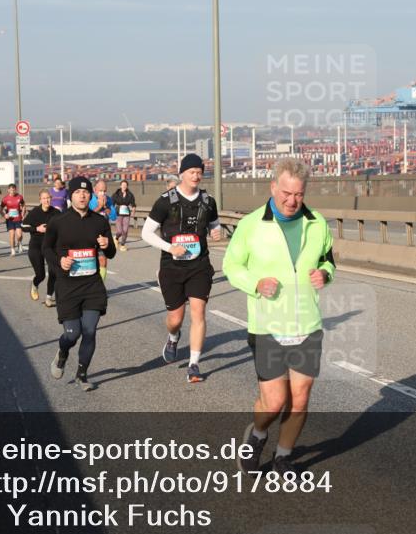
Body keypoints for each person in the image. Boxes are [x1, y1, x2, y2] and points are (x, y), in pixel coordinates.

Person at [223, 158, 336, 475]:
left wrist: (324, 275)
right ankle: (257, 435)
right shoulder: (251, 224)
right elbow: (232, 266)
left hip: (307, 324)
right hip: (268, 325)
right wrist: (255, 284)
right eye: (286, 192)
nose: (291, 200)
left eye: (298, 194)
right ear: (273, 187)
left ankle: (283, 457)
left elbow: (329, 262)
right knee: (273, 402)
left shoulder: (318, 224)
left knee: (299, 399)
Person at [141, 154, 223, 382]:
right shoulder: (165, 201)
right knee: (175, 318)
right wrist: (169, 247)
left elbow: (215, 227)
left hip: (199, 265)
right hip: (172, 267)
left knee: (199, 312)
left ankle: (194, 365)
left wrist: (216, 233)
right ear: (182, 174)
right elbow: (147, 233)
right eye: (191, 172)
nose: (196, 176)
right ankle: (173, 336)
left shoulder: (208, 202)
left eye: (199, 172)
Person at [42, 177, 116, 391]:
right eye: (77, 193)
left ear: (91, 195)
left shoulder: (100, 221)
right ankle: (63, 353)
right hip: (67, 285)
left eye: (86, 193)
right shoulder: (58, 221)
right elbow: (47, 249)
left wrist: (107, 244)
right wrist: (60, 261)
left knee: (90, 331)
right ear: (71, 196)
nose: (82, 196)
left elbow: (110, 252)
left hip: (92, 285)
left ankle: (82, 375)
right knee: (73, 334)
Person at [22, 189, 61, 307]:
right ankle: (35, 284)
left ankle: (49, 298)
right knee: (41, 275)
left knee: (54, 272)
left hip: (50, 247)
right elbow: (23, 226)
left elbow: (63, 227)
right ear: (40, 200)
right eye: (44, 198)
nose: (46, 200)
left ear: (51, 199)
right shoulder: (35, 212)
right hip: (36, 246)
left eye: (48, 198)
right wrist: (36, 229)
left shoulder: (56, 212)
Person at [88, 179, 116, 280]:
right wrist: (99, 207)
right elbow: (87, 215)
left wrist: (106, 207)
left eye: (104, 191)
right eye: (100, 190)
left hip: (103, 234)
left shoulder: (108, 200)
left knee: (103, 261)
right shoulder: (89, 199)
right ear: (94, 190)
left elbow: (113, 217)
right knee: (90, 263)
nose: (102, 193)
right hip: (90, 234)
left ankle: (101, 286)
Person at [1, 184, 26, 256]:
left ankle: (19, 243)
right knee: (12, 235)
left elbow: (23, 205)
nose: (12, 191)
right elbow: (0, 208)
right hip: (10, 220)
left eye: (14, 190)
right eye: (11, 190)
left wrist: (23, 214)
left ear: (16, 190)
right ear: (8, 190)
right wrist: (4, 215)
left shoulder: (19, 197)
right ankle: (12, 250)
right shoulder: (5, 198)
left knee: (19, 235)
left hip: (18, 219)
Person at [112, 179, 136, 252]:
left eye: (125, 185)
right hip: (118, 214)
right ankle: (116, 238)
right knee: (119, 231)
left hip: (126, 214)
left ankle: (122, 245)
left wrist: (133, 211)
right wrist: (112, 212)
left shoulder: (130, 194)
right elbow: (112, 204)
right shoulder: (116, 194)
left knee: (125, 230)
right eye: (123, 185)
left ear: (127, 186)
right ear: (120, 186)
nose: (124, 186)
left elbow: (133, 204)